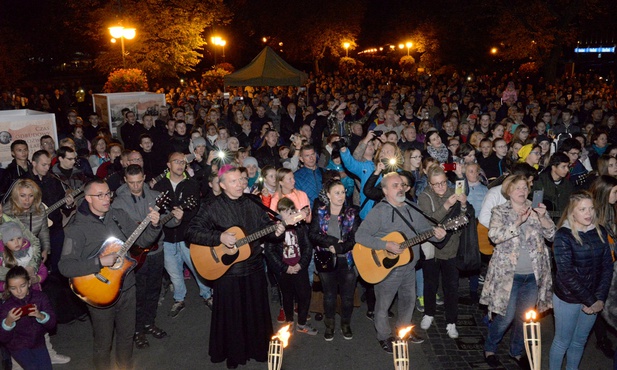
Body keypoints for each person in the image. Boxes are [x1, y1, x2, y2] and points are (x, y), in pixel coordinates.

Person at [185, 165, 285, 369]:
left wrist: (278, 231)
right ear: (222, 185)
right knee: (232, 315)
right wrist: (218, 237)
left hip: (255, 267)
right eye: (234, 181)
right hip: (227, 272)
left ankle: (258, 349)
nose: (240, 184)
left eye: (241, 180)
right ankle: (234, 353)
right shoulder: (211, 206)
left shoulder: (254, 202)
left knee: (255, 312)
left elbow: (266, 230)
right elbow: (191, 232)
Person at [58, 179, 161, 370]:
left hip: (127, 287)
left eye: (108, 194)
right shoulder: (77, 228)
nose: (106, 199)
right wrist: (99, 262)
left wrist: (154, 225)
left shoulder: (118, 215)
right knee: (103, 343)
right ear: (88, 198)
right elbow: (65, 267)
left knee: (127, 336)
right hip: (100, 293)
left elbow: (143, 242)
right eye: (100, 195)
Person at [355, 172, 446, 353]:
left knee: (409, 300)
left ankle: (403, 330)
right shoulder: (379, 212)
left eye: (402, 185)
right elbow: (360, 236)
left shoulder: (412, 208)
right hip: (386, 267)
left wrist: (437, 235)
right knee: (384, 304)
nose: (400, 188)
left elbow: (425, 230)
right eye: (395, 185)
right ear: (385, 190)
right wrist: (385, 244)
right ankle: (384, 335)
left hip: (409, 265)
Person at [481, 175, 555, 368]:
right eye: (517, 188)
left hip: (533, 275)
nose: (522, 191)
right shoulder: (500, 211)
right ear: (509, 191)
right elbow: (494, 236)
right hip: (508, 276)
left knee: (525, 318)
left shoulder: (536, 209)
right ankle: (490, 348)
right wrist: (517, 223)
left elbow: (552, 234)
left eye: (525, 187)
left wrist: (543, 218)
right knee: (505, 317)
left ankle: (516, 351)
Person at [111, 165, 184, 349]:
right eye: (131, 183)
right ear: (126, 181)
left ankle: (149, 323)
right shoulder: (118, 202)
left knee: (154, 290)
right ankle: (136, 330)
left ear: (144, 178)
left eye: (139, 182)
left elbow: (169, 221)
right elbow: (116, 231)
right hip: (134, 255)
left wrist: (177, 218)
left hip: (156, 251)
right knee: (137, 294)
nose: (136, 186)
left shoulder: (155, 196)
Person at [549, 191, 613, 370]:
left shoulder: (599, 231)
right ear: (572, 212)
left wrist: (599, 298)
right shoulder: (564, 235)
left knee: (579, 342)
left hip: (593, 298)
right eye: (583, 209)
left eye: (591, 208)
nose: (589, 213)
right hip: (568, 298)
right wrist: (591, 301)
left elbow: (607, 267)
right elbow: (566, 274)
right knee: (563, 341)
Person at [152, 153, 210, 316]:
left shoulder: (191, 184)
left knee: (197, 267)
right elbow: (155, 210)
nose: (180, 164)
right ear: (168, 165)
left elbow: (196, 208)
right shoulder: (159, 186)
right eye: (176, 161)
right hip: (166, 237)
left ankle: (207, 295)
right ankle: (179, 299)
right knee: (174, 272)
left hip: (187, 236)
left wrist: (184, 216)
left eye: (183, 162)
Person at [417, 165, 471, 339]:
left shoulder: (453, 191)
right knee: (430, 283)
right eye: (436, 184)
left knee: (451, 287)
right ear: (430, 185)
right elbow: (428, 219)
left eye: (443, 183)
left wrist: (462, 205)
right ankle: (429, 313)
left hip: (451, 248)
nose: (441, 187)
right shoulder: (424, 196)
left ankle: (451, 322)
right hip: (431, 247)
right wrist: (447, 205)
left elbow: (463, 218)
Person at [309, 180, 360, 341]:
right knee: (329, 295)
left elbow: (355, 238)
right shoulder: (320, 212)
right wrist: (331, 241)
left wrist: (340, 248)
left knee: (347, 297)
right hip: (326, 260)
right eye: (336, 193)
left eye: (343, 192)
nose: (341, 196)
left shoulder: (352, 213)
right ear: (329, 195)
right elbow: (313, 234)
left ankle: (345, 324)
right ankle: (329, 326)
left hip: (347, 261)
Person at [264, 198, 316, 335]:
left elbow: (307, 247)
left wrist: (301, 265)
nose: (289, 214)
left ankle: (302, 323)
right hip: (284, 270)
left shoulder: (300, 226)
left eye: (291, 211)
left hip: (299, 267)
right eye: (285, 211)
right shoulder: (274, 229)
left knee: (304, 295)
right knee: (287, 296)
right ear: (278, 213)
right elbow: (270, 252)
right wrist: (284, 267)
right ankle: (289, 322)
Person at [0, 266, 56, 370]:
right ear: (8, 288)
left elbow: (52, 324)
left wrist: (40, 315)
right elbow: (3, 338)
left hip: (38, 342)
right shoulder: (6, 307)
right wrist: (8, 322)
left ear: (29, 283)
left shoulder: (40, 298)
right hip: (17, 346)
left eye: (22, 286)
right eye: (13, 288)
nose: (19, 291)